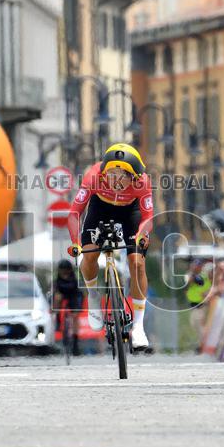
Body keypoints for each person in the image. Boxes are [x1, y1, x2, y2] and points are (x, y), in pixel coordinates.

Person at [67, 142, 153, 351]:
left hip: (130, 211)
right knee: (89, 255)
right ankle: (93, 296)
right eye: (112, 175)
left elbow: (148, 217)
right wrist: (75, 242)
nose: (116, 181)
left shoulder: (142, 182)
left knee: (137, 263)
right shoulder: (93, 176)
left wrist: (142, 235)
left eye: (122, 177)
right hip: (100, 208)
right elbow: (74, 213)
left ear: (134, 177)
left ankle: (138, 326)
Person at [52, 259, 83, 354]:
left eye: (66, 270)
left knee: (75, 317)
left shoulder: (74, 280)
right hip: (62, 295)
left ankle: (75, 342)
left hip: (73, 296)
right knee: (57, 297)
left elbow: (78, 293)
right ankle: (58, 319)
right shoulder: (57, 280)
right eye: (62, 270)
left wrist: (77, 308)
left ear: (70, 270)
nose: (64, 272)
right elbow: (55, 290)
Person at [185, 259, 211, 338]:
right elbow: (187, 284)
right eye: (194, 265)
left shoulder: (203, 276)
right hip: (194, 305)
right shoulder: (190, 275)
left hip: (201, 305)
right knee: (194, 324)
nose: (195, 267)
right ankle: (203, 341)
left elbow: (200, 282)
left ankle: (204, 341)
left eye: (197, 266)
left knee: (200, 325)